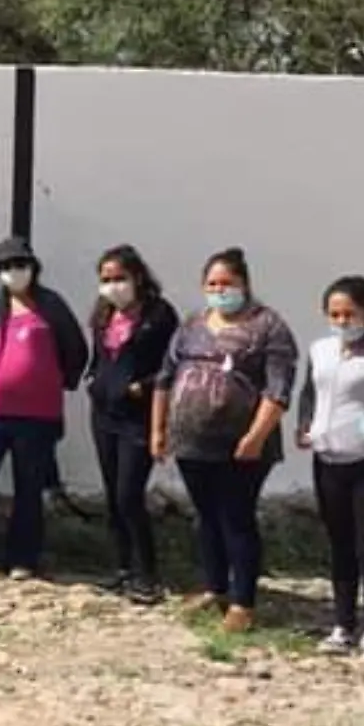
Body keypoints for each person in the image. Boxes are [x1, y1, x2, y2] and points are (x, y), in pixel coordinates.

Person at [151, 247, 298, 633]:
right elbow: (165, 378)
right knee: (207, 516)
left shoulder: (268, 326)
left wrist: (255, 435)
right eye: (213, 284)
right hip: (191, 442)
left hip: (242, 445)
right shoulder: (192, 325)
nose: (220, 290)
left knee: (236, 517)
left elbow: (278, 389)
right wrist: (159, 429)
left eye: (227, 283)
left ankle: (243, 601)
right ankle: (215, 587)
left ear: (244, 284)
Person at [0, 235, 88, 577]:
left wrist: (55, 381)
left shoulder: (51, 305)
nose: (14, 272)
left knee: (29, 487)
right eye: (6, 266)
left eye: (20, 264)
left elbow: (75, 349)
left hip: (37, 415)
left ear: (33, 268)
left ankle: (23, 558)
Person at [296, 275, 364, 662]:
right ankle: (343, 624)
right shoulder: (321, 349)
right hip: (328, 458)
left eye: (350, 313)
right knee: (339, 544)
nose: (343, 321)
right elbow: (310, 392)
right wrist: (305, 424)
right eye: (335, 314)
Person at [84, 244, 178, 604]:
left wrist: (144, 386)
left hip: (138, 417)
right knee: (112, 495)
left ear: (137, 276)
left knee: (129, 495)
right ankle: (122, 568)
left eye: (119, 278)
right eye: (106, 279)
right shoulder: (104, 313)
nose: (113, 286)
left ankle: (147, 574)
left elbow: (172, 365)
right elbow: (98, 356)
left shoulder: (159, 315)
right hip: (105, 414)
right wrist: (94, 379)